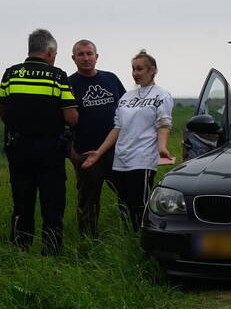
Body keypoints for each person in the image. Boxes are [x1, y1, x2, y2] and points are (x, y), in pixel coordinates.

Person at [0, 29, 78, 254]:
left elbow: (3, 110)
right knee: (52, 204)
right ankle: (51, 253)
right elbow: (71, 117)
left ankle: (20, 250)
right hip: (49, 150)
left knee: (21, 202)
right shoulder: (57, 76)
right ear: (50, 52)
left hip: (18, 149)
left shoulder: (11, 74)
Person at [82, 50, 173, 229]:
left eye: (140, 69)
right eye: (133, 69)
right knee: (123, 205)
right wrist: (99, 153)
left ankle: (143, 240)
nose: (135, 73)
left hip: (143, 159)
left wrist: (162, 147)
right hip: (121, 159)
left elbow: (164, 124)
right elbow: (117, 128)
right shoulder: (126, 97)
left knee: (139, 205)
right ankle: (129, 240)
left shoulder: (162, 95)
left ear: (152, 69)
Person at [67, 39, 127, 238]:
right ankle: (87, 243)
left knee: (127, 196)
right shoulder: (68, 84)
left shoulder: (111, 79)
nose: (85, 58)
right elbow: (61, 121)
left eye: (89, 53)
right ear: (73, 58)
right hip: (86, 153)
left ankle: (130, 235)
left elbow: (127, 110)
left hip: (117, 151)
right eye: (81, 54)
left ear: (97, 56)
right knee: (88, 202)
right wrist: (72, 153)